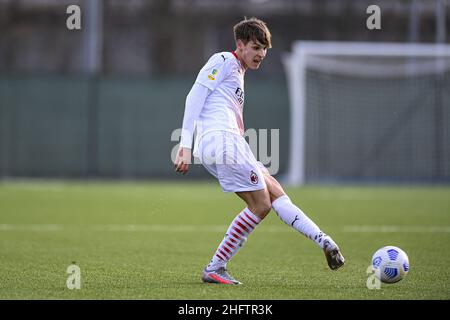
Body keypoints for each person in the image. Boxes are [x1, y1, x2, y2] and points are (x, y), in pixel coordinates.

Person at [174, 17, 344, 285]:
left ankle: (324, 241)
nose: (261, 54)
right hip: (222, 141)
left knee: (275, 192)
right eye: (255, 47)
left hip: (227, 143)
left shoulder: (238, 72)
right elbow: (193, 96)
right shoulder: (223, 61)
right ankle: (215, 267)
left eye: (264, 49)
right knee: (261, 204)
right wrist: (184, 146)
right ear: (239, 45)